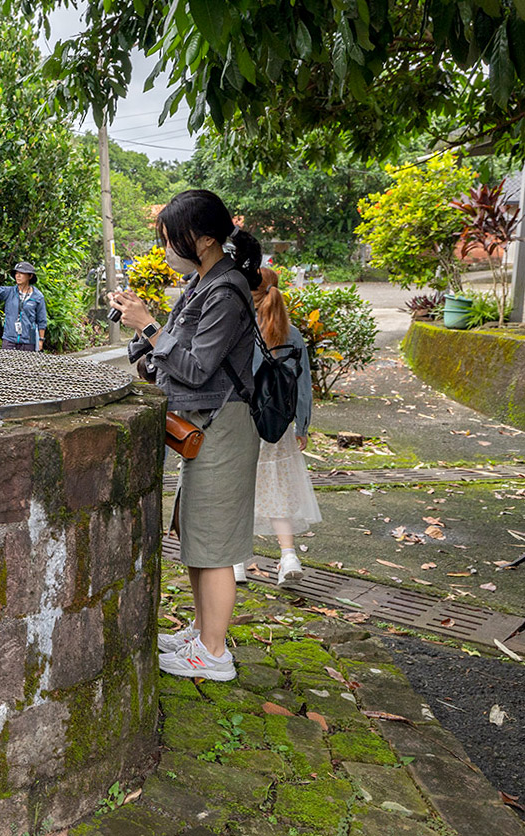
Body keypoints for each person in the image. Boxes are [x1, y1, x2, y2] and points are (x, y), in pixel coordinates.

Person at [110, 189, 263, 682]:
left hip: (225, 424)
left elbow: (197, 367)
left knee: (214, 545)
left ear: (205, 238)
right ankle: (202, 632)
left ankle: (214, 654)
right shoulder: (203, 283)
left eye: (171, 238)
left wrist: (150, 324)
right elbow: (172, 350)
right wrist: (141, 327)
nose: (166, 248)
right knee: (197, 535)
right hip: (205, 423)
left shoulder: (227, 291)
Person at [232, 267, 320, 586]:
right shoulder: (291, 333)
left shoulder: (238, 329)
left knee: (237, 490)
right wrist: (302, 426)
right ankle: (289, 556)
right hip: (277, 426)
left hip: (241, 422)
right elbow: (303, 385)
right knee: (277, 490)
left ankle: (237, 563)